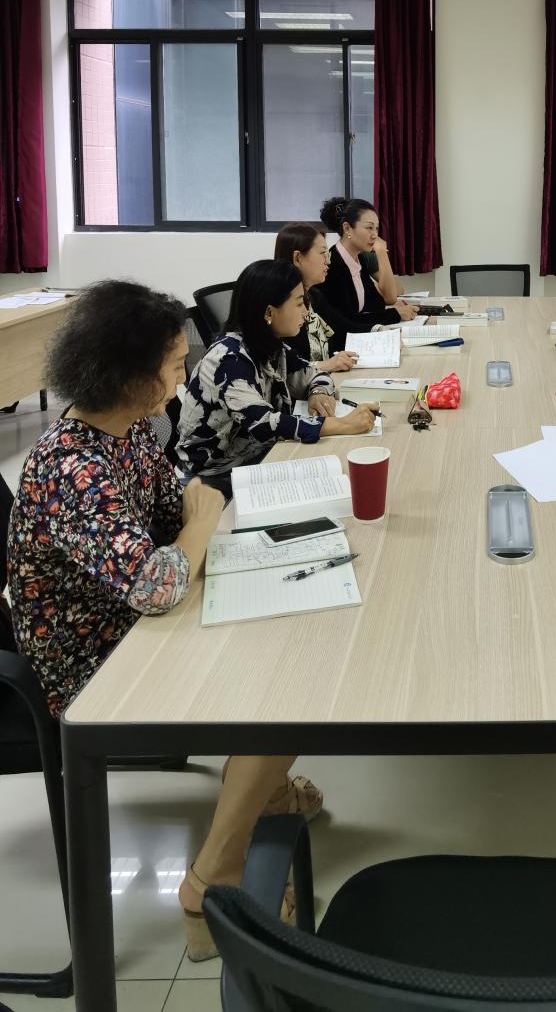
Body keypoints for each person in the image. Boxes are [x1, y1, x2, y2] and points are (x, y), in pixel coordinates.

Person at [6, 280, 318, 962]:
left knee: (293, 638)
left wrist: (192, 528)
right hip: (94, 662)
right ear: (130, 375)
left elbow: (184, 499)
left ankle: (260, 793)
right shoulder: (73, 466)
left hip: (131, 618)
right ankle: (210, 880)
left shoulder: (122, 432)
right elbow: (158, 579)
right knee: (283, 690)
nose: (184, 377)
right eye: (176, 365)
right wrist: (194, 532)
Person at [177, 259, 376, 491]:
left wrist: (319, 393)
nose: (306, 313)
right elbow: (264, 424)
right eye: (299, 303)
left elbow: (315, 373)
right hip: (215, 476)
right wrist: (341, 424)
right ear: (270, 312)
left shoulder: (271, 346)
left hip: (257, 456)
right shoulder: (228, 360)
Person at [319, 196, 418, 333]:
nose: (375, 235)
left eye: (376, 228)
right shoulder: (333, 265)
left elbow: (377, 303)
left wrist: (382, 252)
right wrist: (395, 314)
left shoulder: (359, 259)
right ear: (347, 228)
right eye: (369, 228)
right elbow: (347, 320)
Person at [273, 221, 359, 373]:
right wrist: (325, 365)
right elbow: (282, 365)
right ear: (298, 258)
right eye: (322, 253)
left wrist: (381, 330)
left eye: (328, 254)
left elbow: (343, 327)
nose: (328, 261)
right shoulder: (280, 304)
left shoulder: (314, 296)